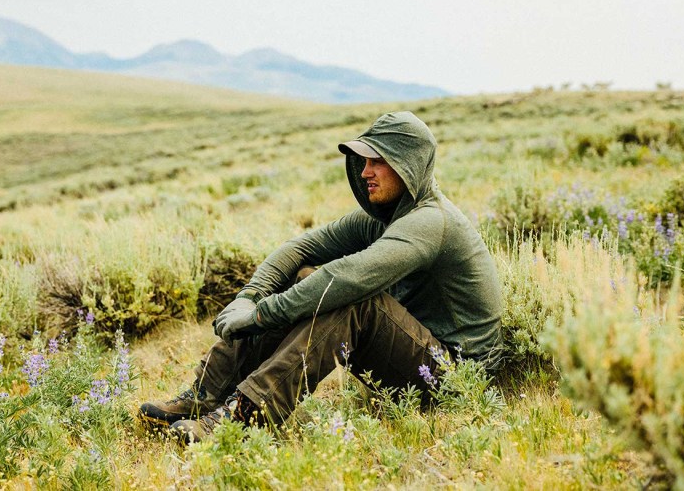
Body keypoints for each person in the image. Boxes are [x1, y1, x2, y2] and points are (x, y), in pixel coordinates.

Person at [139, 111, 503, 443]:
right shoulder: (386, 216)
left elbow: (346, 278)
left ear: (409, 165)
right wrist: (249, 297)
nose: (364, 172)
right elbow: (300, 247)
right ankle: (204, 395)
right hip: (420, 358)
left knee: (351, 298)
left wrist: (262, 316)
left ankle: (243, 416)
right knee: (305, 276)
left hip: (456, 379)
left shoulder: (430, 221)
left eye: (378, 162)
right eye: (364, 160)